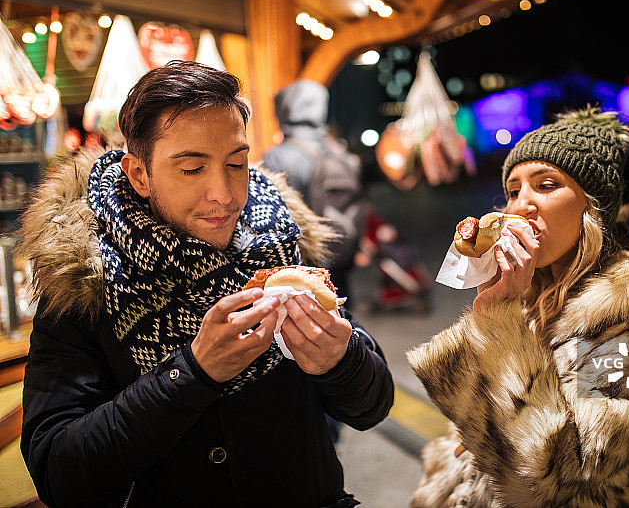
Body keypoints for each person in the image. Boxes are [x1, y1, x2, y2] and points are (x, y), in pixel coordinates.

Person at [18, 61, 393, 508]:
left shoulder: (282, 241)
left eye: (236, 163)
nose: (226, 193)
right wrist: (192, 373)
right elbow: (60, 474)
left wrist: (341, 359)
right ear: (140, 174)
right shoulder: (84, 278)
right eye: (192, 169)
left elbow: (371, 406)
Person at [407, 107, 629, 507]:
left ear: (593, 206)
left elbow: (556, 475)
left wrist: (498, 320)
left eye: (546, 185)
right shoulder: (538, 291)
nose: (520, 206)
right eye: (513, 191)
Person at [260, 79, 365, 304]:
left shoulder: (278, 156)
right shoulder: (339, 152)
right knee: (343, 320)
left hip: (301, 269)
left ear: (284, 109)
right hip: (339, 258)